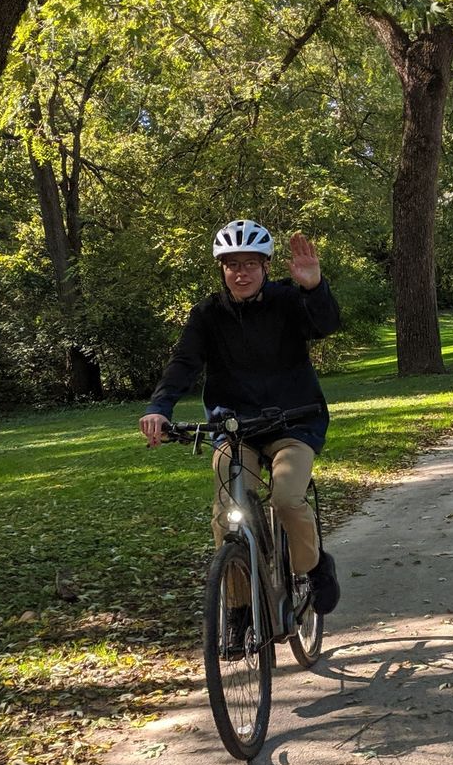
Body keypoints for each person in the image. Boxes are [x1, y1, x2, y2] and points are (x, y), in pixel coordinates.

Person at [139, 218, 341, 615]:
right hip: (234, 429)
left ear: (266, 267)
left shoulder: (287, 299)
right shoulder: (207, 315)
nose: (241, 272)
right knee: (226, 515)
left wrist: (314, 287)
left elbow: (326, 325)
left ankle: (314, 567)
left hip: (294, 422)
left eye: (250, 263)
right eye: (232, 264)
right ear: (222, 270)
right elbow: (184, 364)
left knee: (285, 498)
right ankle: (239, 609)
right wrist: (158, 408)